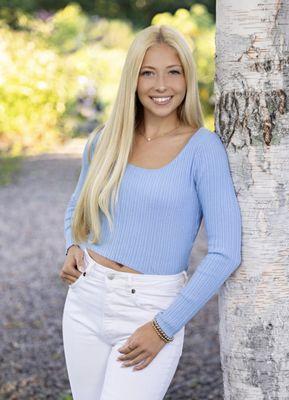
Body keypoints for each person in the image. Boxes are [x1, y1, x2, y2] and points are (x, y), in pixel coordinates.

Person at [60, 24, 242, 400]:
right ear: (134, 79)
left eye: (173, 72)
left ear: (187, 79)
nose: (162, 85)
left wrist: (164, 327)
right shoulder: (106, 139)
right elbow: (77, 208)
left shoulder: (203, 149)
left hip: (150, 309)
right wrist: (72, 247)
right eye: (148, 72)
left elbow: (226, 252)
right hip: (85, 298)